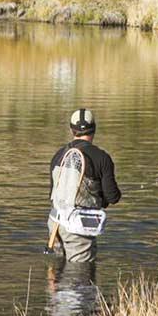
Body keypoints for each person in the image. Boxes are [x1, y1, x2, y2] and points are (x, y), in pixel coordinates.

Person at [46, 108, 121, 263]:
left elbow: (52, 194)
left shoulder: (58, 155)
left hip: (55, 223)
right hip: (77, 226)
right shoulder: (102, 158)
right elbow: (112, 197)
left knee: (59, 272)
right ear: (94, 129)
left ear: (72, 129)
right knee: (80, 277)